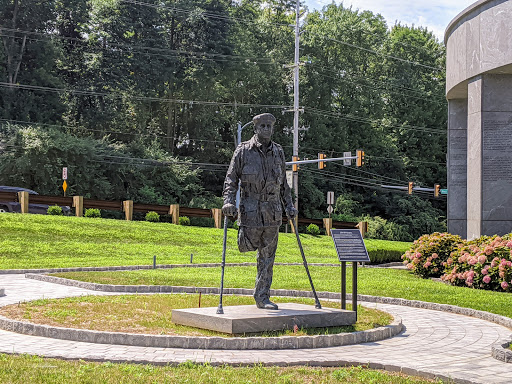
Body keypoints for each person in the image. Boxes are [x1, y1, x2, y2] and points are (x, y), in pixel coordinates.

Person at [222, 113, 297, 310]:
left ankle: (262, 296)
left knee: (267, 257)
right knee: (246, 245)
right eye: (262, 126)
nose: (266, 129)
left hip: (273, 212)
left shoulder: (278, 152)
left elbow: (284, 185)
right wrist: (228, 202)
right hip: (250, 211)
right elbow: (231, 179)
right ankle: (245, 239)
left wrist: (289, 205)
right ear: (255, 128)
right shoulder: (243, 151)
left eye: (269, 126)